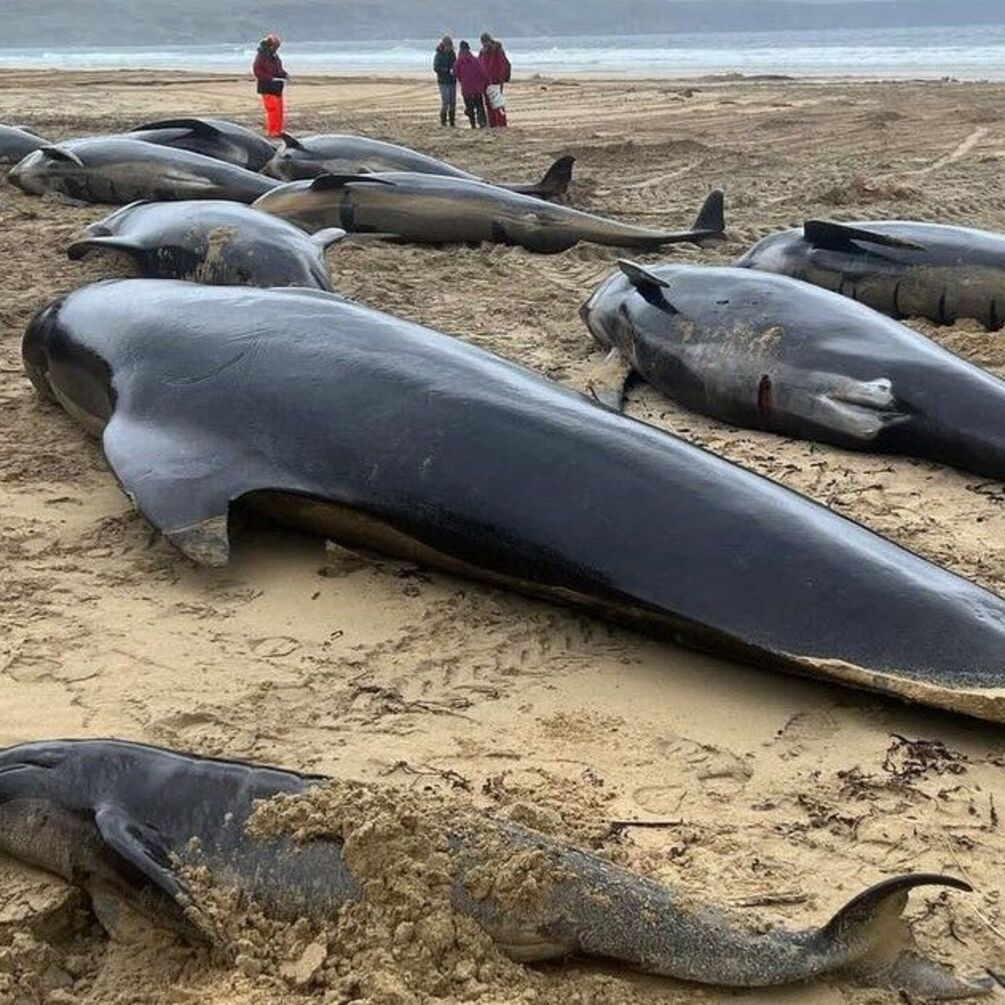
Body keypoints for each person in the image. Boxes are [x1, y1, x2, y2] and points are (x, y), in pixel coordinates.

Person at [253, 34, 289, 138]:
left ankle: (278, 130)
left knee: (279, 110)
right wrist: (271, 78)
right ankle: (272, 131)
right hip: (267, 86)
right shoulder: (261, 55)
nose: (277, 47)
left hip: (277, 86)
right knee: (273, 109)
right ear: (270, 44)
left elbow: (278, 69)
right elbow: (257, 71)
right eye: (276, 45)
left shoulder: (274, 55)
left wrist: (284, 74)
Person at [478, 33, 511, 128]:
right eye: (483, 43)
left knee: (498, 103)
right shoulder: (482, 52)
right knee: (489, 103)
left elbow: (504, 65)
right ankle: (493, 123)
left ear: (489, 40)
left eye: (485, 42)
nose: (484, 44)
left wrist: (501, 78)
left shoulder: (497, 50)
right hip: (486, 81)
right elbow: (480, 66)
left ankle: (501, 123)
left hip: (496, 80)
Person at [454, 40, 488, 129]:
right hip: (476, 87)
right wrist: (485, 82)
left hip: (466, 88)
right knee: (479, 105)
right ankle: (482, 122)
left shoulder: (458, 62)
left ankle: (473, 124)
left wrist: (462, 80)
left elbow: (456, 73)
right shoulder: (475, 60)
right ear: (469, 49)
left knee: (469, 107)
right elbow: (482, 73)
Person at [433, 36, 457, 127]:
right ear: (444, 45)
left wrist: (455, 71)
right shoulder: (438, 54)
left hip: (452, 80)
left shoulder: (452, 54)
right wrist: (446, 70)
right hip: (443, 81)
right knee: (446, 101)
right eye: (447, 46)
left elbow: (455, 64)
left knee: (453, 102)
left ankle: (452, 121)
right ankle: (443, 121)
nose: (449, 48)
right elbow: (436, 68)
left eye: (450, 46)